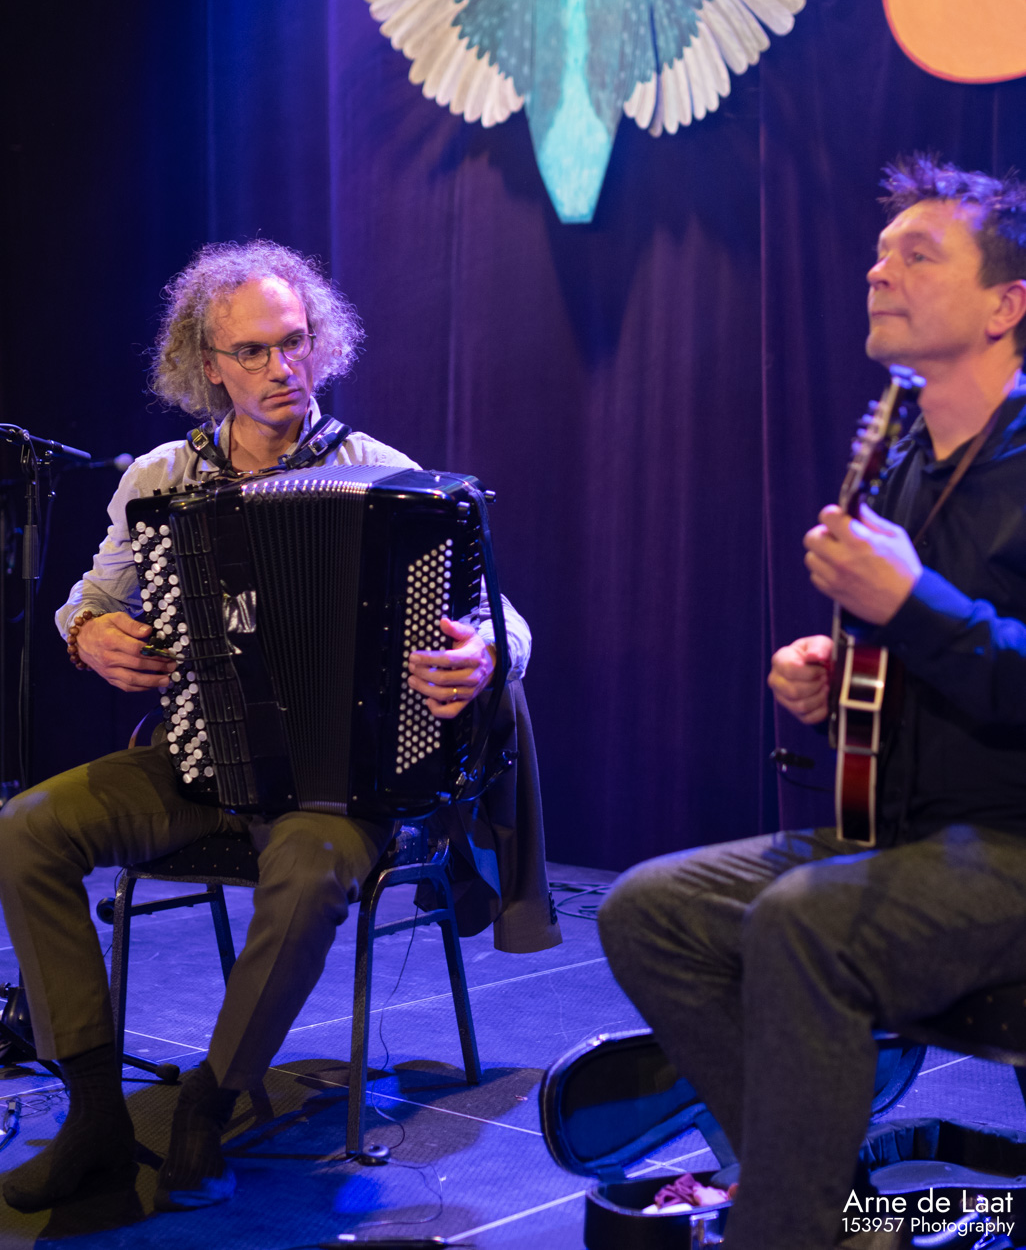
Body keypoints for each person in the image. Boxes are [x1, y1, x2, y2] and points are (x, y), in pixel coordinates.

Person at [0, 240, 537, 1214]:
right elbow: (91, 596)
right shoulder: (160, 478)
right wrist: (88, 634)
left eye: (294, 342)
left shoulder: (383, 474)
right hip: (200, 761)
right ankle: (95, 1116)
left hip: (341, 786)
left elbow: (502, 617)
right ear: (208, 363)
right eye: (251, 351)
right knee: (26, 828)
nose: (280, 368)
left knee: (307, 871)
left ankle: (209, 1104)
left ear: (321, 344)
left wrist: (488, 654)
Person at [598, 155, 1026, 1249]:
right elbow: (916, 667)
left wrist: (913, 606)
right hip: (908, 836)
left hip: (1014, 846)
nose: (879, 274)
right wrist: (836, 683)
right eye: (879, 256)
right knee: (647, 910)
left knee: (803, 920)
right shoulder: (904, 458)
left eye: (918, 256)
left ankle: (786, 1225)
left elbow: (959, 637)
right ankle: (818, 1213)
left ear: (1005, 306)